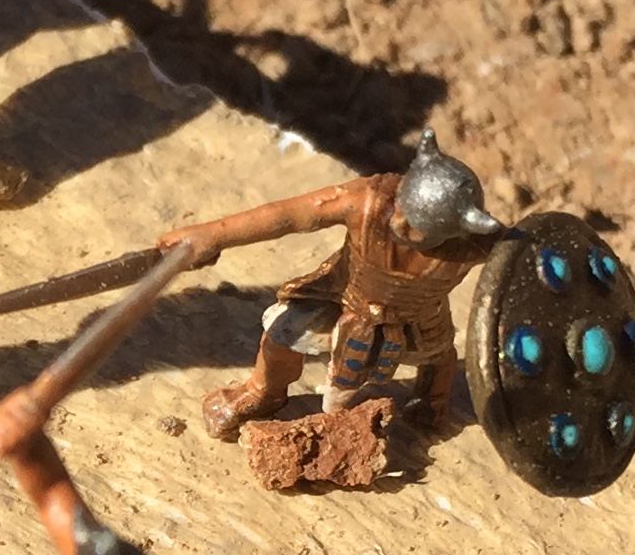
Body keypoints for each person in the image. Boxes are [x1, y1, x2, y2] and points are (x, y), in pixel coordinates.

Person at [152, 124, 501, 441]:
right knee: (282, 335)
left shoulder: (475, 245)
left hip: (417, 315)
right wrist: (211, 235)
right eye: (402, 210)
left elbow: (525, 260)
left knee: (437, 357)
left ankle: (430, 400)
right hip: (344, 294)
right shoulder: (368, 202)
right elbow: (289, 215)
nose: (398, 225)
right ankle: (263, 391)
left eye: (417, 228)